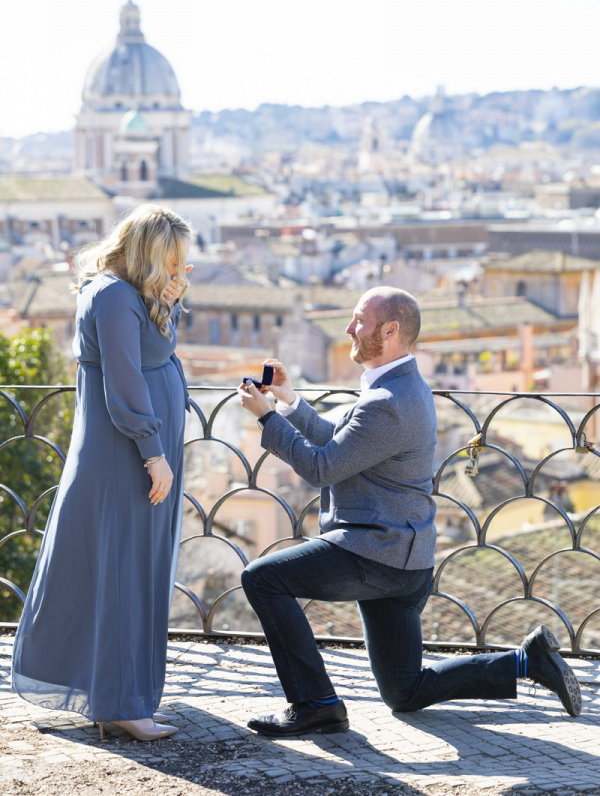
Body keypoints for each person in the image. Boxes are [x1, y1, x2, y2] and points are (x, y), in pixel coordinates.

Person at [238, 286, 582, 737]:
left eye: (359, 321)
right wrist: (290, 402)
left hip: (375, 554)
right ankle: (526, 661)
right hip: (402, 558)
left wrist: (267, 419)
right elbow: (341, 443)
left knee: (261, 578)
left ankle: (315, 704)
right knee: (404, 691)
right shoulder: (398, 388)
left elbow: (321, 468)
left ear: (391, 330)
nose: (348, 329)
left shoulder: (387, 402)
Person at [11, 204, 193, 742]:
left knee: (133, 571)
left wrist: (173, 300)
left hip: (138, 450)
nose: (180, 273)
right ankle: (117, 703)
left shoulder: (129, 292)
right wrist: (153, 452)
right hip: (126, 455)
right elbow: (124, 380)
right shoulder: (112, 296)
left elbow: (156, 350)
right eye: (173, 263)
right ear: (146, 253)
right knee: (121, 574)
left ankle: (123, 695)